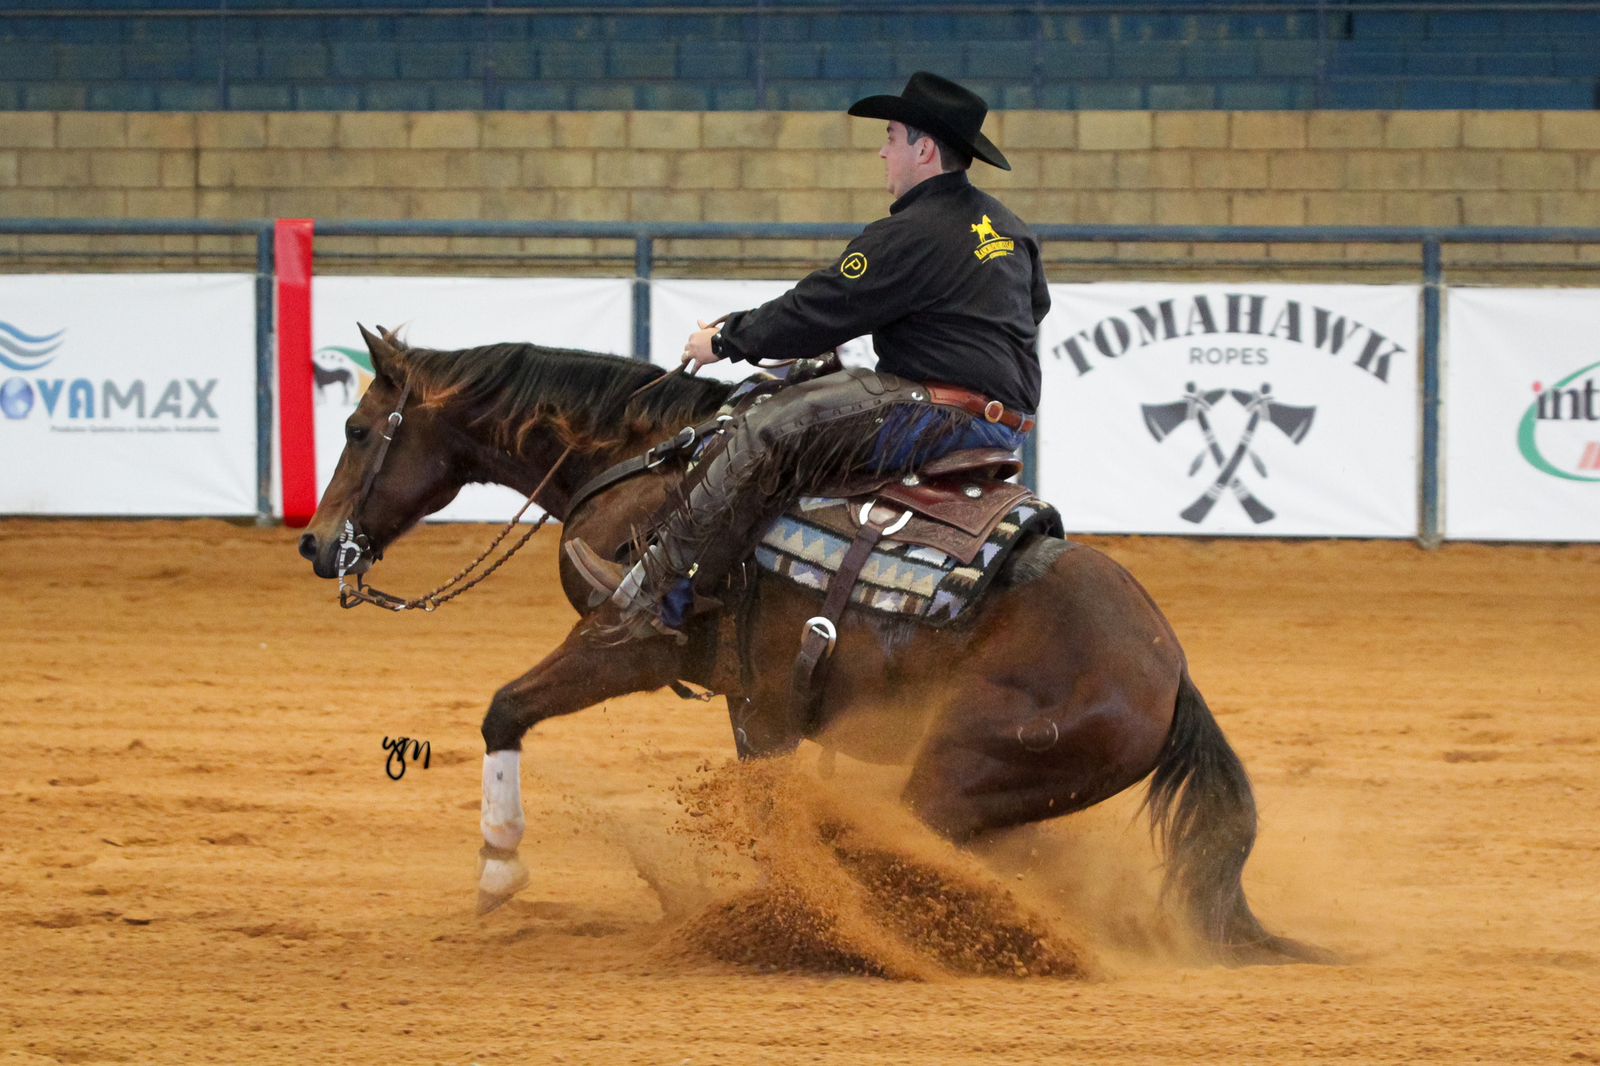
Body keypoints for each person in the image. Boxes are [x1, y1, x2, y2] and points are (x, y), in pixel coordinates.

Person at [567, 71, 1050, 642]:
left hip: (937, 412)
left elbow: (821, 307)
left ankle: (655, 590)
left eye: (891, 136)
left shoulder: (909, 233)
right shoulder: (1007, 226)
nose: (882, 150)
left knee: (767, 427)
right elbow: (1029, 310)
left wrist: (726, 341)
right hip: (1003, 421)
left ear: (924, 149)